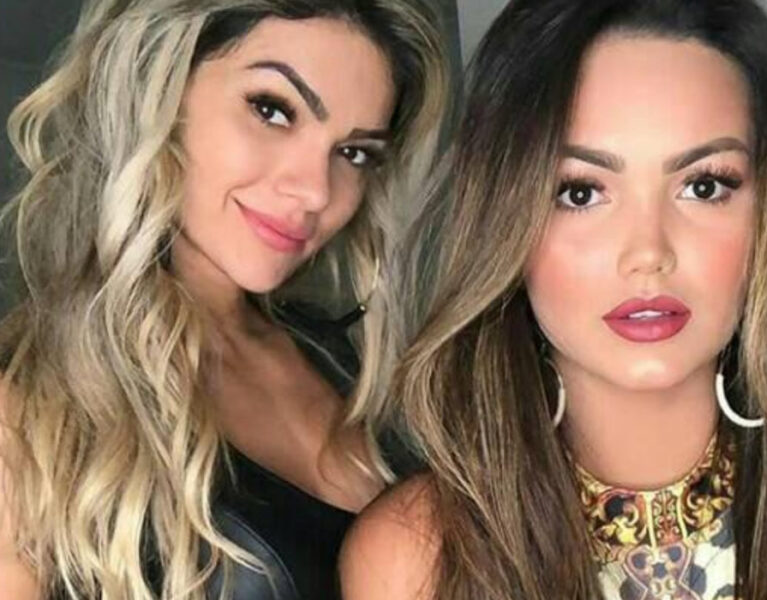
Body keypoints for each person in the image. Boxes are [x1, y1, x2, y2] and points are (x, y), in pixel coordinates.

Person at [338, 1, 767, 599]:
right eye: (580, 192)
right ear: (502, 220)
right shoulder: (415, 559)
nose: (648, 251)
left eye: (704, 186)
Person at [0, 0, 448, 598]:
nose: (315, 191)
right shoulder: (27, 414)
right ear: (160, 89)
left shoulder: (354, 366)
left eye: (354, 152)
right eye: (273, 110)